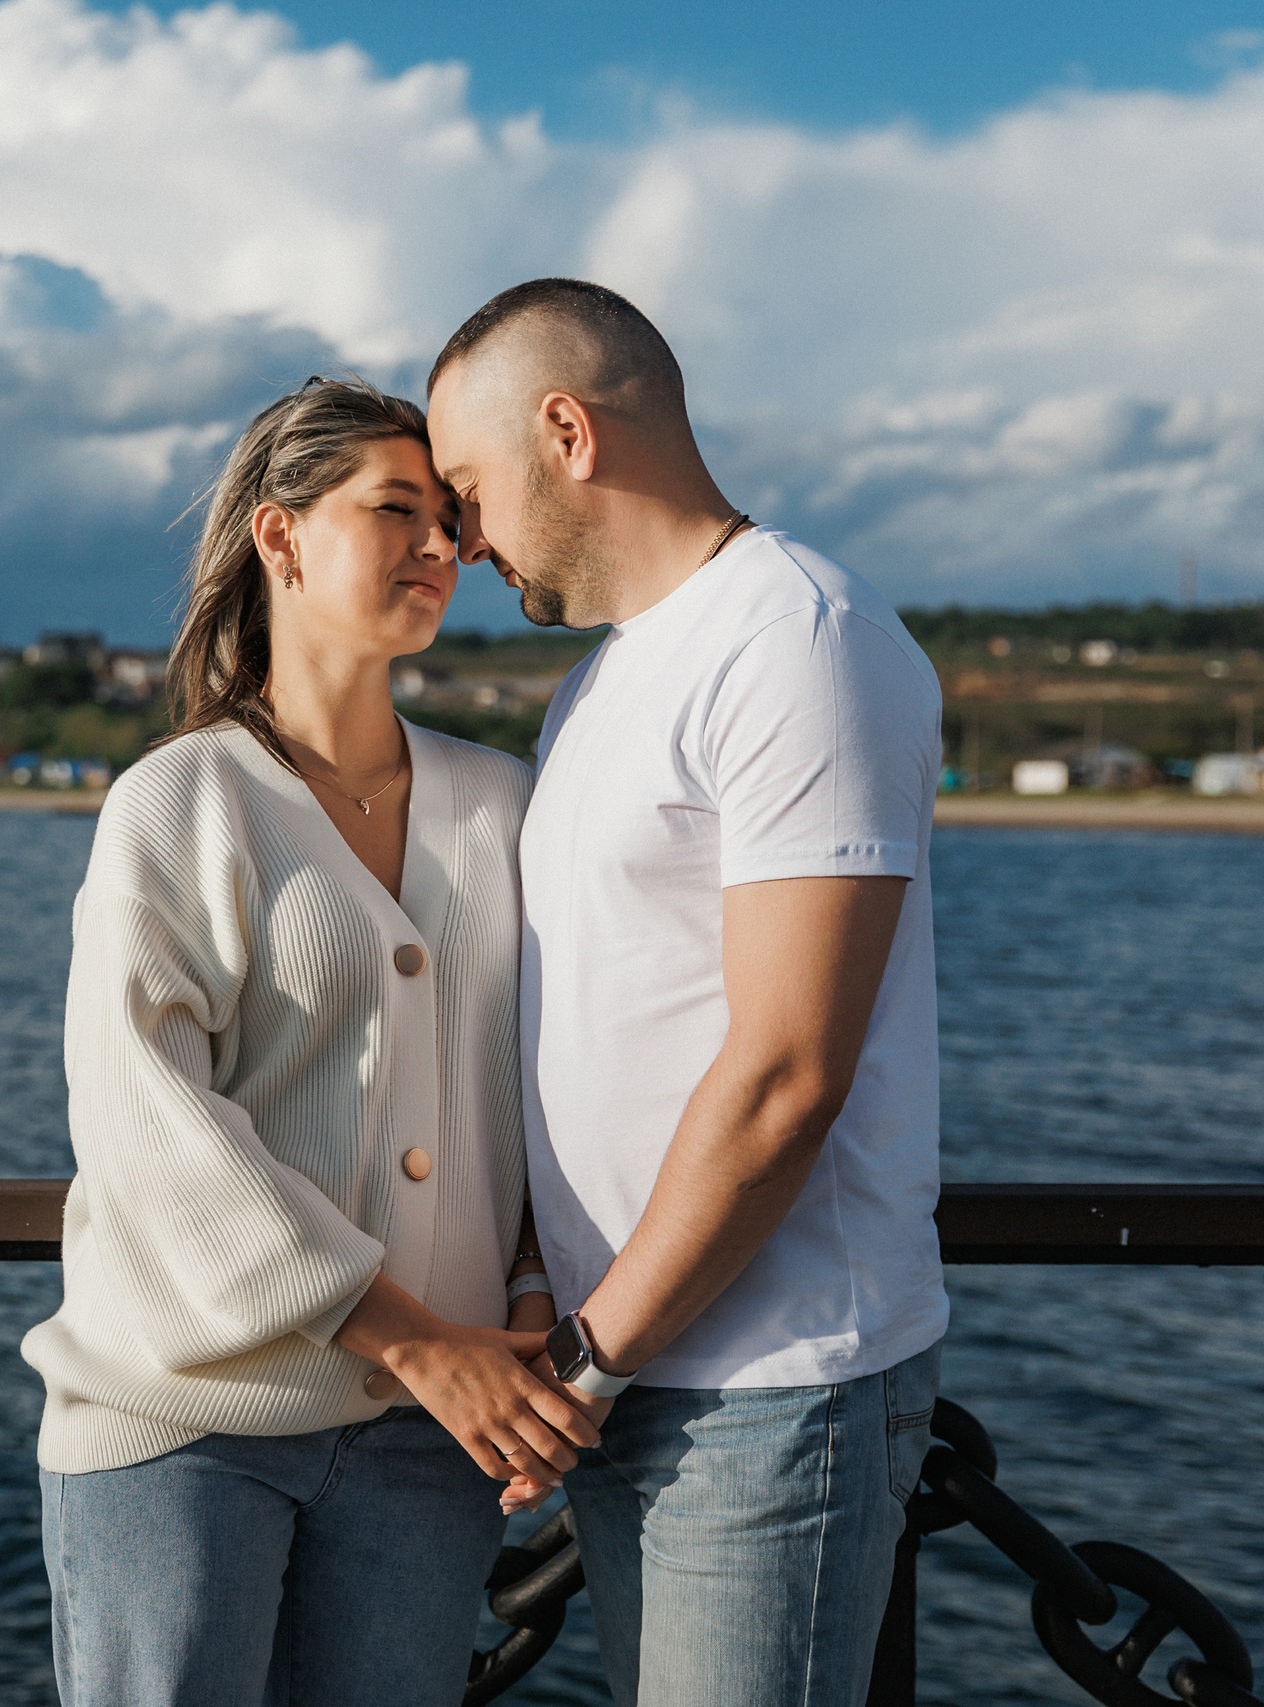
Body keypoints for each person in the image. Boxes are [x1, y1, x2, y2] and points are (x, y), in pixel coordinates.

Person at [21, 377, 585, 1707]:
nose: (440, 545)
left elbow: (550, 1082)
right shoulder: (181, 802)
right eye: (396, 510)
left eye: (448, 517)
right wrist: (413, 1338)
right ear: (279, 536)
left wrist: (527, 1289)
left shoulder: (501, 804)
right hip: (186, 1421)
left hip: (434, 1435)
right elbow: (147, 1122)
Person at [425, 280, 948, 1706]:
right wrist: (562, 1315)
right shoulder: (597, 685)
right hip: (630, 1369)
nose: (461, 539)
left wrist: (590, 1361)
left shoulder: (800, 641)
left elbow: (787, 1071)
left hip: (766, 1388)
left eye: (468, 489)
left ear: (568, 433)